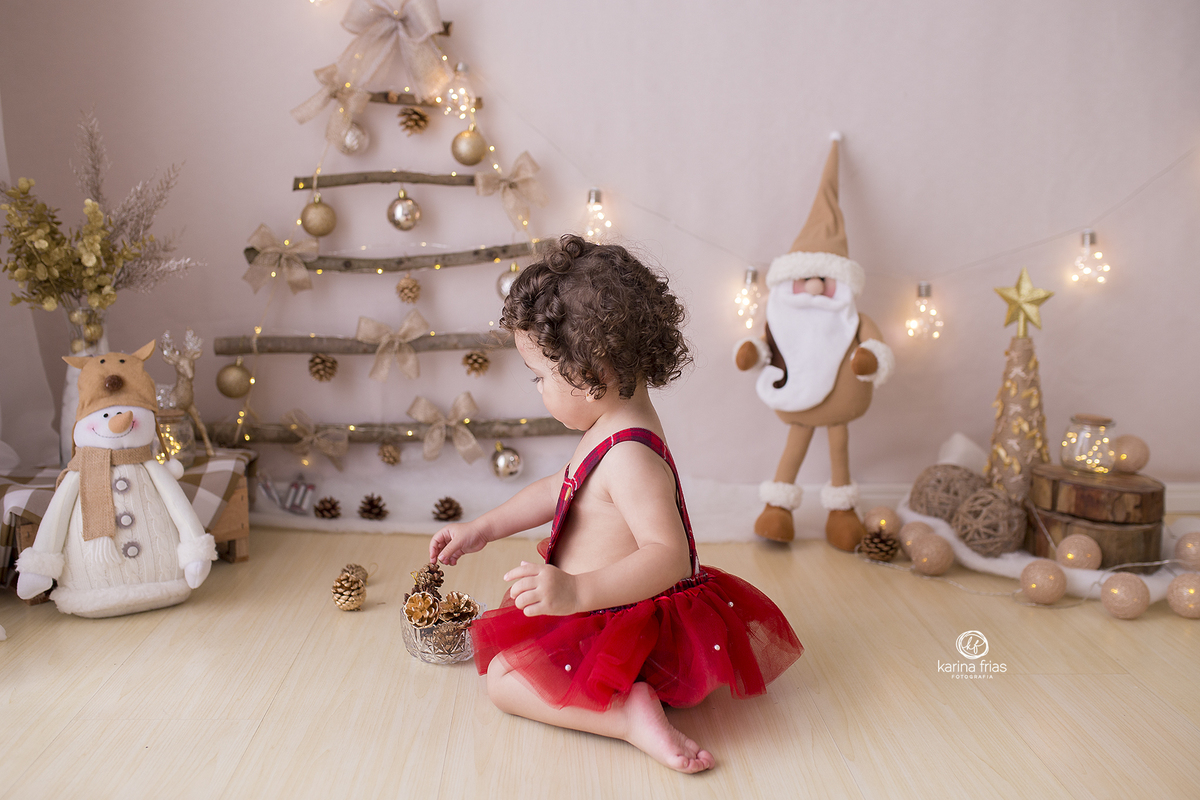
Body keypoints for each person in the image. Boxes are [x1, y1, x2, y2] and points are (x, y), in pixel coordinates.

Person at [430, 234, 802, 774]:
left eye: (541, 376)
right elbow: (561, 487)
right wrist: (485, 527)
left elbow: (669, 556)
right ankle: (626, 703)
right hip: (598, 608)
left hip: (623, 626)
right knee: (517, 657)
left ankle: (624, 715)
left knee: (505, 679)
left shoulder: (629, 454)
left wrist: (577, 591)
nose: (538, 389)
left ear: (590, 373)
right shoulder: (609, 424)